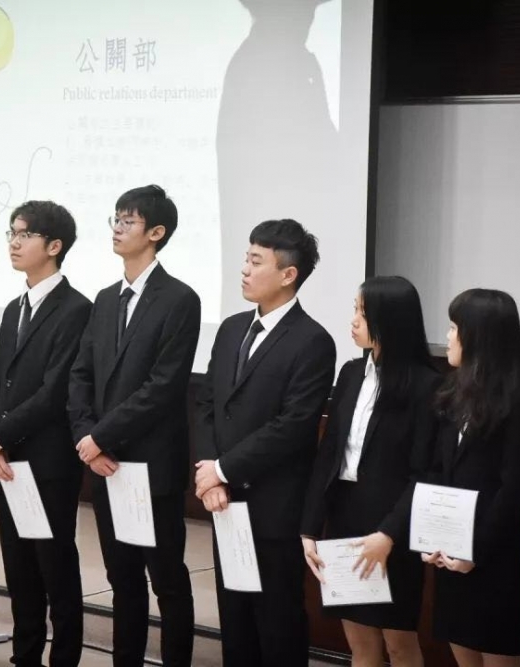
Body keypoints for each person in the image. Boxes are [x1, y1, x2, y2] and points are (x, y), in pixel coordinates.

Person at [67, 185, 200, 667]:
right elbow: (81, 374)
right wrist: (86, 437)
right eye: (116, 219)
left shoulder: (180, 299)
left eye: (129, 221)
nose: (117, 229)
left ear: (156, 232)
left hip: (150, 465)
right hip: (104, 464)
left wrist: (99, 436)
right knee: (121, 578)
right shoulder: (105, 299)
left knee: (166, 579)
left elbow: (163, 386)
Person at [195, 219, 336, 666]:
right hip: (224, 502)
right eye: (246, 258)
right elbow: (207, 404)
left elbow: (293, 426)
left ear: (288, 274)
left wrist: (223, 469)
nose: (244, 269)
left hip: (274, 507)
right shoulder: (231, 328)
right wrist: (209, 473)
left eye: (256, 261)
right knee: (234, 622)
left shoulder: (313, 341)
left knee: (277, 623)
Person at [300, 276, 440, 667]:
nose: (354, 320)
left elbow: (425, 472)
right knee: (359, 641)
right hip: (346, 517)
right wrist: (309, 528)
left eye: (362, 312)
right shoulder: (350, 373)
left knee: (399, 642)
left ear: (389, 320)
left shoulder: (426, 386)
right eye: (355, 310)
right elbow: (328, 455)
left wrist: (389, 533)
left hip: (393, 526)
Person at [0, 200, 91, 667]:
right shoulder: (13, 308)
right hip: (6, 459)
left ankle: (63, 658)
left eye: (24, 234)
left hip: (48, 461)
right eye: (11, 233)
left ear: (55, 245)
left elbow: (54, 392)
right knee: (18, 568)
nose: (14, 242)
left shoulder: (76, 309)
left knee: (54, 566)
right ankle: (24, 656)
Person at [421, 289, 520, 667]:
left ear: (478, 336)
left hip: (493, 555)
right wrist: (433, 535)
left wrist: (475, 549)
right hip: (450, 552)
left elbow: (513, 488)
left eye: (454, 328)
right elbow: (438, 469)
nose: (447, 337)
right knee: (462, 655)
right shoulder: (452, 392)